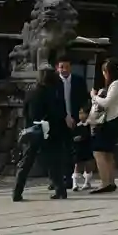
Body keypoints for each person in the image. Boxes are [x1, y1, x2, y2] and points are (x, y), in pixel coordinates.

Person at [13, 67, 71, 201]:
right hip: (50, 131)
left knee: (26, 163)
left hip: (33, 130)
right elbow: (59, 113)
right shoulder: (54, 93)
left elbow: (25, 112)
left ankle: (17, 192)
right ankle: (60, 190)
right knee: (54, 162)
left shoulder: (31, 92)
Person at [84, 58, 118, 194]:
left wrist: (94, 96)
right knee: (108, 153)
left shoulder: (116, 84)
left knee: (99, 152)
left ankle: (105, 182)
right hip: (113, 121)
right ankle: (110, 181)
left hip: (110, 122)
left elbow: (106, 102)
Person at [52, 54, 90, 196]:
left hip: (76, 119)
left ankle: (69, 179)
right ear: (57, 68)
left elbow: (84, 100)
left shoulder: (78, 81)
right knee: (58, 150)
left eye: (67, 67)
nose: (64, 70)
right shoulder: (54, 82)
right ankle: (56, 180)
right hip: (59, 120)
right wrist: (64, 117)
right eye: (61, 67)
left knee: (72, 150)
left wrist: (81, 116)